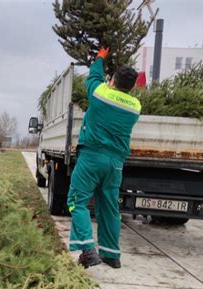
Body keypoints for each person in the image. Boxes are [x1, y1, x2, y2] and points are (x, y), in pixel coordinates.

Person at [68, 47, 141, 269]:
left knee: (76, 202)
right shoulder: (135, 106)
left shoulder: (100, 94)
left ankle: (88, 250)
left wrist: (100, 57)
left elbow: (94, 76)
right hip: (116, 163)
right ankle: (111, 255)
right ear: (132, 87)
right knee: (109, 207)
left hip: (92, 156)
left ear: (112, 81)